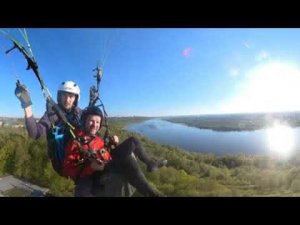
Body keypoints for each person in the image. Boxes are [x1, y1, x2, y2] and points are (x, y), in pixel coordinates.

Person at [62, 106, 168, 197]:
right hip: (96, 173)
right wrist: (90, 167)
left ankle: (150, 163)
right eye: (91, 121)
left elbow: (104, 152)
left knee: (133, 141)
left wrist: (112, 145)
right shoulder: (76, 142)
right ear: (84, 121)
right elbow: (68, 169)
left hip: (108, 163)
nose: (95, 125)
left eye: (98, 122)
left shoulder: (97, 139)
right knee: (128, 159)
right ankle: (152, 193)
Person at [15, 80, 82, 174]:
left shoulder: (80, 114)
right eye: (64, 95)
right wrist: (26, 105)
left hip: (80, 162)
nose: (67, 100)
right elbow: (34, 133)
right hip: (61, 165)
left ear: (75, 98)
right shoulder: (52, 114)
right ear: (59, 97)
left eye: (70, 96)